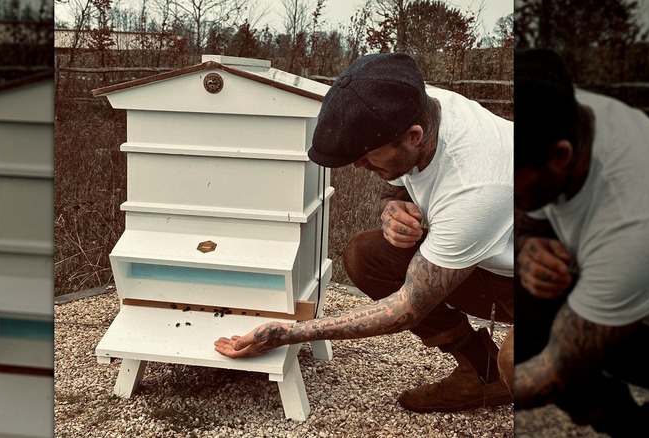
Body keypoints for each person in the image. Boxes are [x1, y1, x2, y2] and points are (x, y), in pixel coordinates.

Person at [215, 52, 515, 414]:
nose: (358, 165)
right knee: (368, 255)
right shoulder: (411, 105)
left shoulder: (476, 186)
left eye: (368, 154)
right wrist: (392, 207)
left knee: (518, 364)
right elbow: (401, 179)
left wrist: (290, 332)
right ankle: (481, 374)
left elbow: (406, 309)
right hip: (499, 256)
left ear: (413, 136)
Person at [513, 48, 649, 437]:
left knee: (529, 361)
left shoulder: (637, 219)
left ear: (560, 156)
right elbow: (531, 217)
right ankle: (633, 428)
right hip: (637, 286)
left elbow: (554, 370)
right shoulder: (559, 114)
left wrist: (500, 388)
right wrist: (527, 247)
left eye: (515, 182)